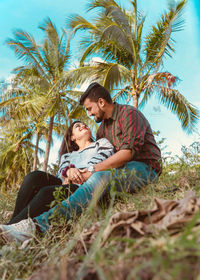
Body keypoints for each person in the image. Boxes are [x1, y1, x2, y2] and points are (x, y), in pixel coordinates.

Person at [0, 82, 162, 243]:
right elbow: (99, 163)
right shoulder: (102, 130)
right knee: (36, 177)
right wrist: (69, 172)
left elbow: (126, 153)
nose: (89, 114)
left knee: (100, 177)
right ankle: (10, 227)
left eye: (90, 108)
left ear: (101, 102)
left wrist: (90, 170)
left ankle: (37, 226)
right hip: (114, 171)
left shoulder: (128, 113)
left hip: (144, 167)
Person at [0, 120, 114, 243]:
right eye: (78, 126)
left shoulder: (101, 143)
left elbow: (102, 160)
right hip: (65, 183)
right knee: (33, 177)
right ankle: (11, 224)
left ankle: (7, 230)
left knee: (46, 192)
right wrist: (68, 171)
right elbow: (61, 174)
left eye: (84, 124)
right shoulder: (67, 156)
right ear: (72, 137)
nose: (83, 126)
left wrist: (75, 173)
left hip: (84, 185)